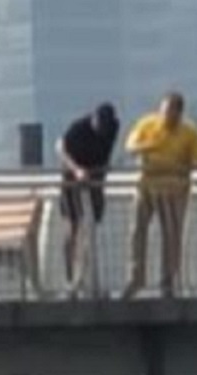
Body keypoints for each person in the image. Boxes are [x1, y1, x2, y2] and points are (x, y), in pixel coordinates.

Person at [122, 92, 197, 300]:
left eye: (171, 115)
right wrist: (149, 147)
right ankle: (136, 279)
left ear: (179, 114)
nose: (166, 118)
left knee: (171, 235)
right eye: (163, 113)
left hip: (174, 190)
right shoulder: (147, 124)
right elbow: (130, 147)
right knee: (137, 232)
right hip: (146, 186)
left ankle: (168, 281)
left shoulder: (189, 133)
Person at [56, 102, 120, 298]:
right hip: (73, 180)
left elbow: (107, 151)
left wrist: (103, 169)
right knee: (73, 227)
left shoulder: (113, 128)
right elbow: (61, 148)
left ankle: (89, 278)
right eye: (99, 125)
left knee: (92, 229)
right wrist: (76, 170)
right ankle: (69, 280)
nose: (102, 130)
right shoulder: (79, 128)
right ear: (93, 119)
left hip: (94, 180)